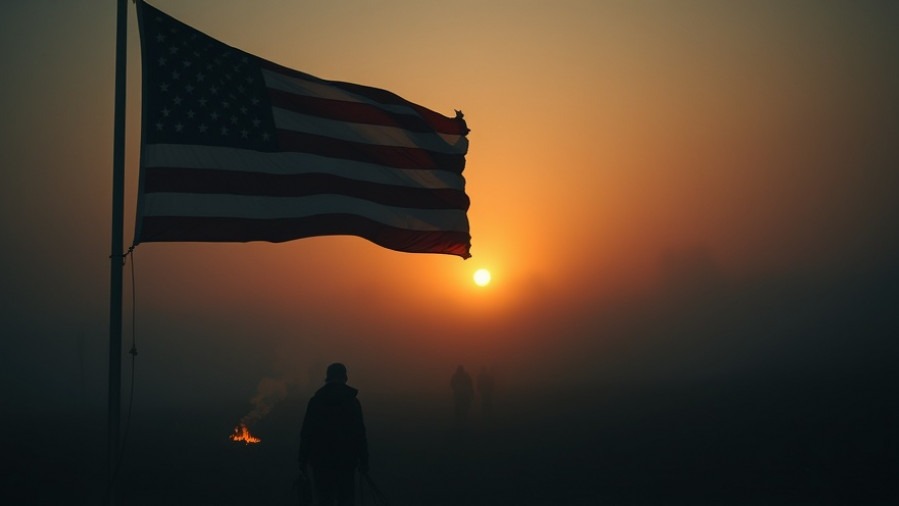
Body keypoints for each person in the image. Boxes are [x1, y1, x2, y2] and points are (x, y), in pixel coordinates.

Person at [298, 363, 369, 506]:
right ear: (345, 377)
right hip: (346, 462)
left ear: (327, 377)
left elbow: (306, 433)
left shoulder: (316, 402)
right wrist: (364, 461)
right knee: (346, 500)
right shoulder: (352, 402)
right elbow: (359, 433)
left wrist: (302, 461)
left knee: (325, 500)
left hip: (321, 463)